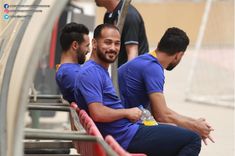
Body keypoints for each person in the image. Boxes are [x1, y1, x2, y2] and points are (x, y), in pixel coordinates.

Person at [74, 23, 201, 156]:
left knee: (173, 132)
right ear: (94, 43)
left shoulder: (99, 70)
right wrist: (126, 112)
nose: (113, 48)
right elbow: (98, 113)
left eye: (117, 44)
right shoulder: (91, 72)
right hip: (124, 136)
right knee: (192, 139)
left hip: (125, 131)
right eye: (108, 42)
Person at [118, 27, 214, 145]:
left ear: (159, 44)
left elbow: (161, 112)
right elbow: (162, 116)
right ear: (179, 55)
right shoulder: (153, 69)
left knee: (176, 129)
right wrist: (194, 126)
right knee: (192, 139)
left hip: (121, 126)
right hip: (125, 132)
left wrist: (194, 122)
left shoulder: (144, 61)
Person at [95, 0, 149, 66]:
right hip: (119, 70)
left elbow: (132, 52)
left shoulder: (129, 15)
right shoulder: (108, 15)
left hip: (135, 72)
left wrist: (128, 75)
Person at [56, 22, 90, 103]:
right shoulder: (70, 73)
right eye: (87, 46)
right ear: (75, 45)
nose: (89, 50)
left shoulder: (69, 71)